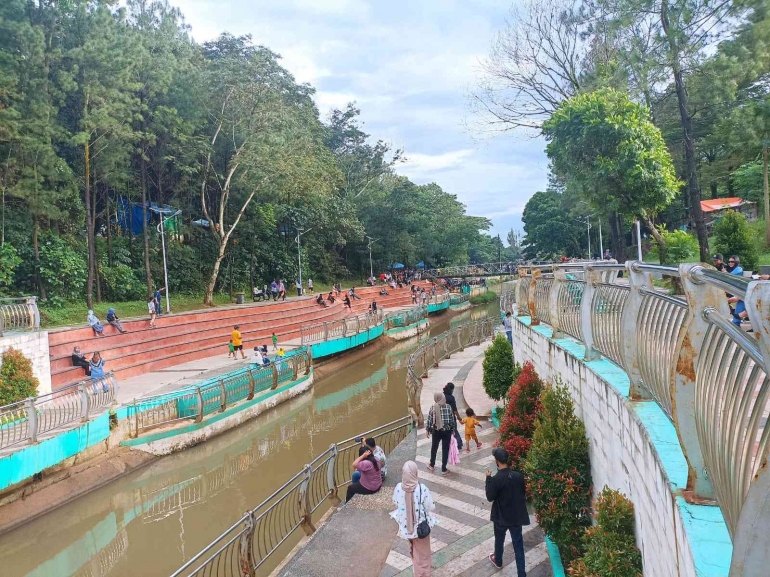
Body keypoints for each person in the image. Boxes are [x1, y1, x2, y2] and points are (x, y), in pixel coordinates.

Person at [486, 447, 530, 574]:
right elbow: (522, 492)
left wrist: (488, 479)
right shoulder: (518, 476)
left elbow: (490, 497)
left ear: (497, 462)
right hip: (516, 517)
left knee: (499, 540)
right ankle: (521, 573)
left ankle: (498, 560)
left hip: (501, 517)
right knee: (518, 546)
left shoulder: (496, 479)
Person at [390, 461, 437, 577]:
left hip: (407, 528)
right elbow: (430, 507)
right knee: (423, 555)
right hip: (421, 529)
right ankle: (422, 574)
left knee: (413, 550)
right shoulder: (422, 489)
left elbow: (395, 502)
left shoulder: (398, 488)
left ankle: (417, 569)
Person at [425, 391, 454, 474]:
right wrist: (453, 430)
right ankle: (444, 469)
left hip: (436, 432)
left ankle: (432, 465)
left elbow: (430, 420)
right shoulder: (448, 407)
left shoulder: (433, 407)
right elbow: (452, 420)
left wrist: (427, 431)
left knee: (434, 448)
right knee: (445, 449)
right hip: (447, 432)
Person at [443, 383, 463, 451]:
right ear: (451, 389)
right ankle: (458, 444)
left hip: (443, 418)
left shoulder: (442, 396)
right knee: (454, 430)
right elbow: (455, 410)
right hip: (451, 418)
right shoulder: (451, 398)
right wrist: (459, 417)